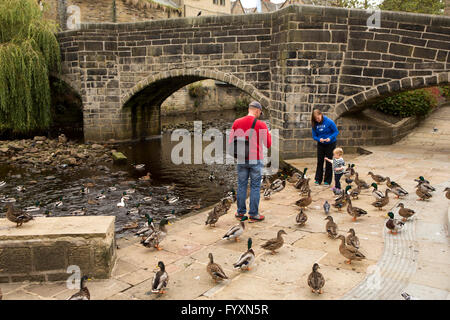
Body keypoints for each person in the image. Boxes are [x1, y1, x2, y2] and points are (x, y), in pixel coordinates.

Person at [229, 101, 271, 222]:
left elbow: (231, 142)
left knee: (241, 185)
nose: (259, 115)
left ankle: (240, 213)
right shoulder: (261, 125)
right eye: (260, 113)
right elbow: (268, 144)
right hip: (255, 159)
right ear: (257, 111)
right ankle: (253, 214)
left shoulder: (237, 122)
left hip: (241, 158)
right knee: (255, 186)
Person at [311, 109, 339, 186]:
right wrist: (319, 139)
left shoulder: (329, 122)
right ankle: (318, 179)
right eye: (315, 119)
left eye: (318, 117)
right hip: (321, 144)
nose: (317, 120)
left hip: (330, 143)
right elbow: (314, 136)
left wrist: (330, 138)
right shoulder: (314, 124)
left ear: (321, 115)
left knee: (328, 161)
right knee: (320, 161)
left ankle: (327, 180)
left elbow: (336, 132)